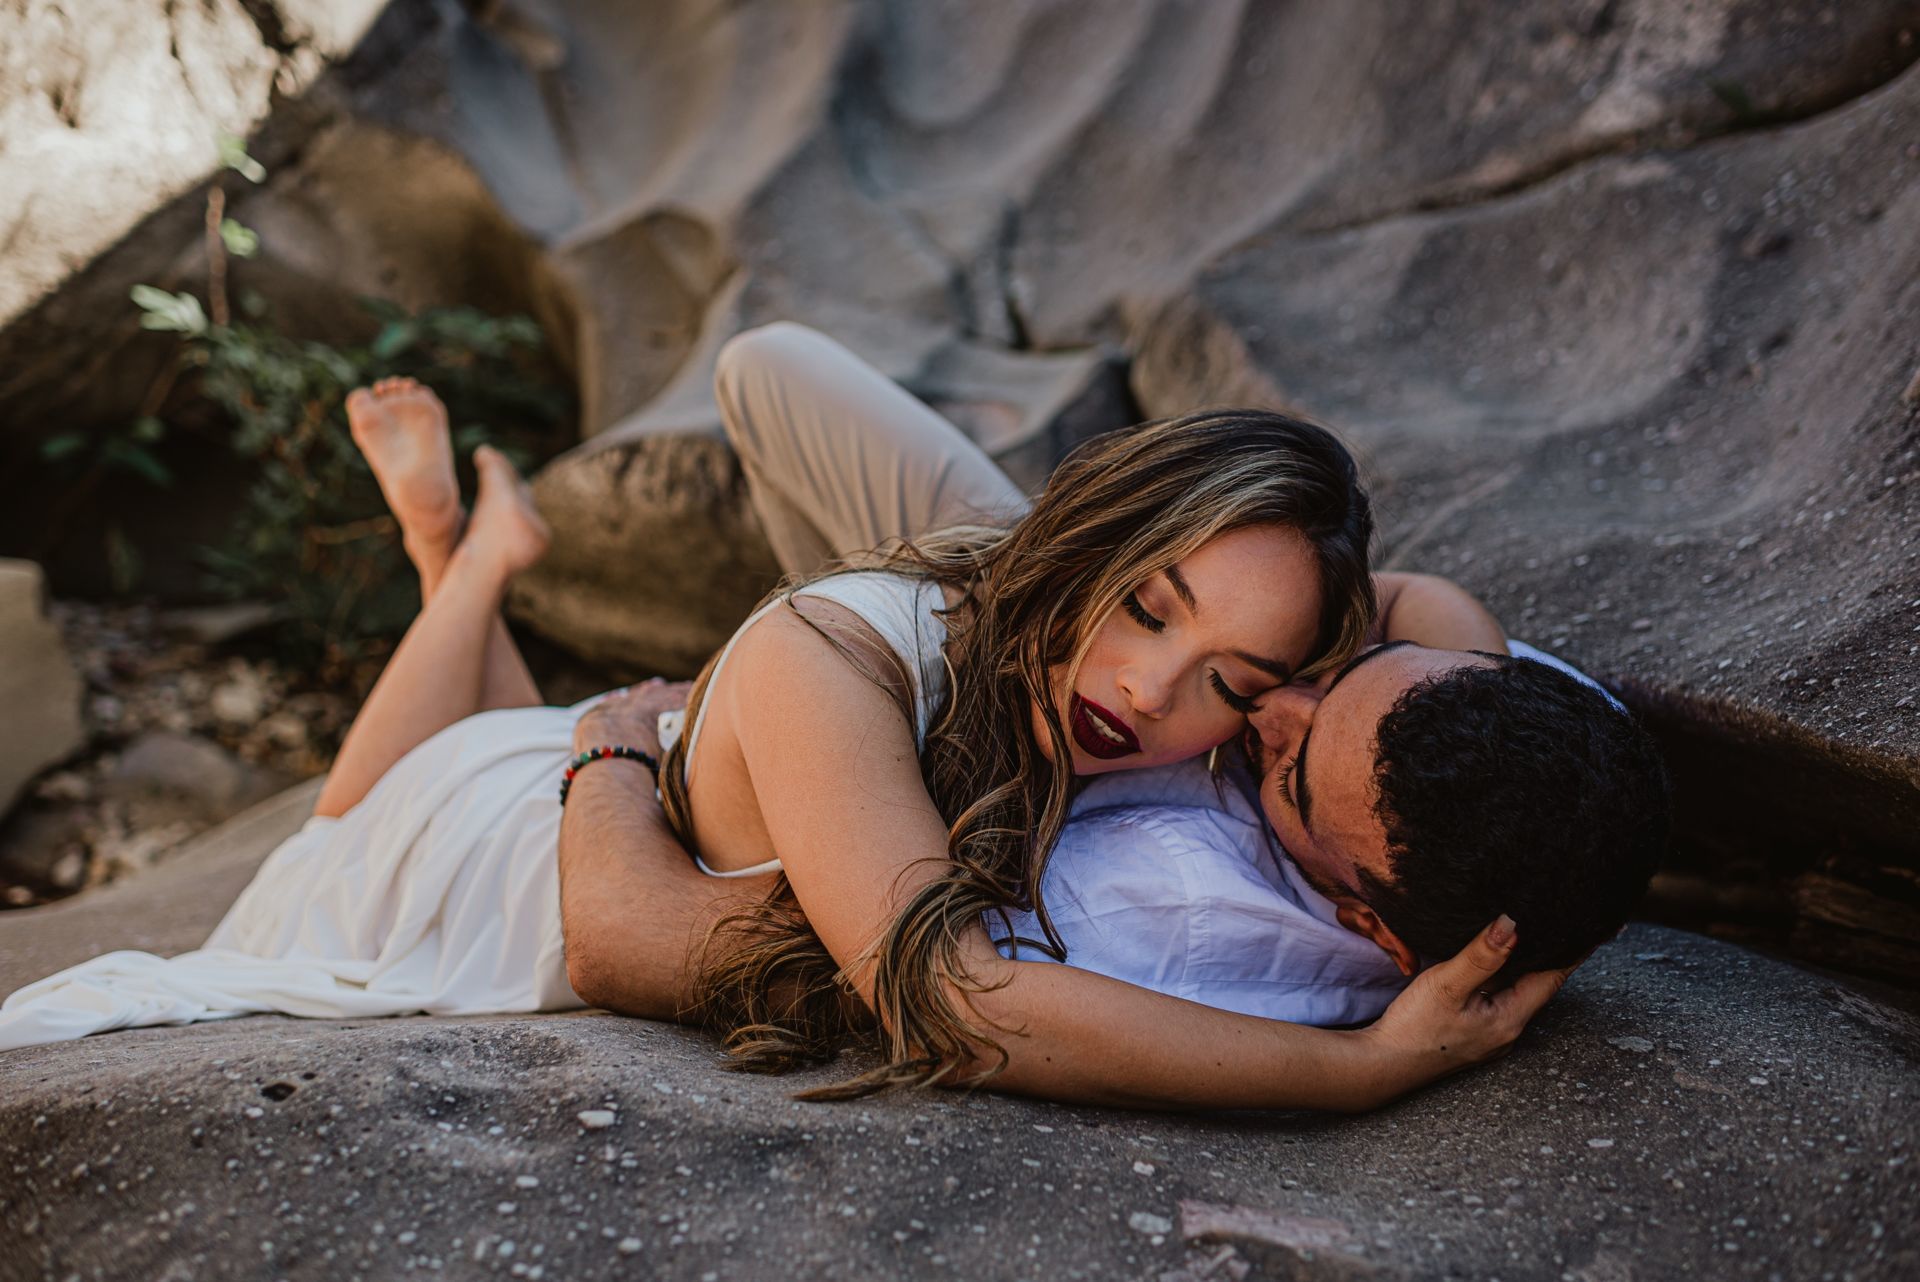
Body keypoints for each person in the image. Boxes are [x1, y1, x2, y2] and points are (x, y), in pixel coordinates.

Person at [1, 342, 1561, 1114]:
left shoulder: (1210, 692)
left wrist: (1321, 657)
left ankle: (473, 569)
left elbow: (1436, 614)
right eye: (1148, 605)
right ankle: (462, 559)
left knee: (567, 724)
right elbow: (953, 994)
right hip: (501, 855)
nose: (1151, 695)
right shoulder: (833, 653)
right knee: (353, 813)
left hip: (746, 737)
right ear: (1094, 541)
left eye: (1231, 676)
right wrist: (1356, 1069)